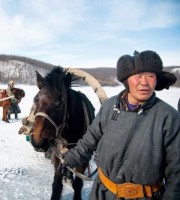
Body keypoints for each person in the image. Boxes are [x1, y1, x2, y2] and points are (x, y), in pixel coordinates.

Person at [63, 50, 179, 199]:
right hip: (102, 193)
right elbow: (90, 140)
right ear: (127, 81)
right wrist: (69, 158)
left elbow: (177, 171)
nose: (144, 82)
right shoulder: (109, 106)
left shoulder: (168, 117)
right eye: (137, 76)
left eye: (150, 76)